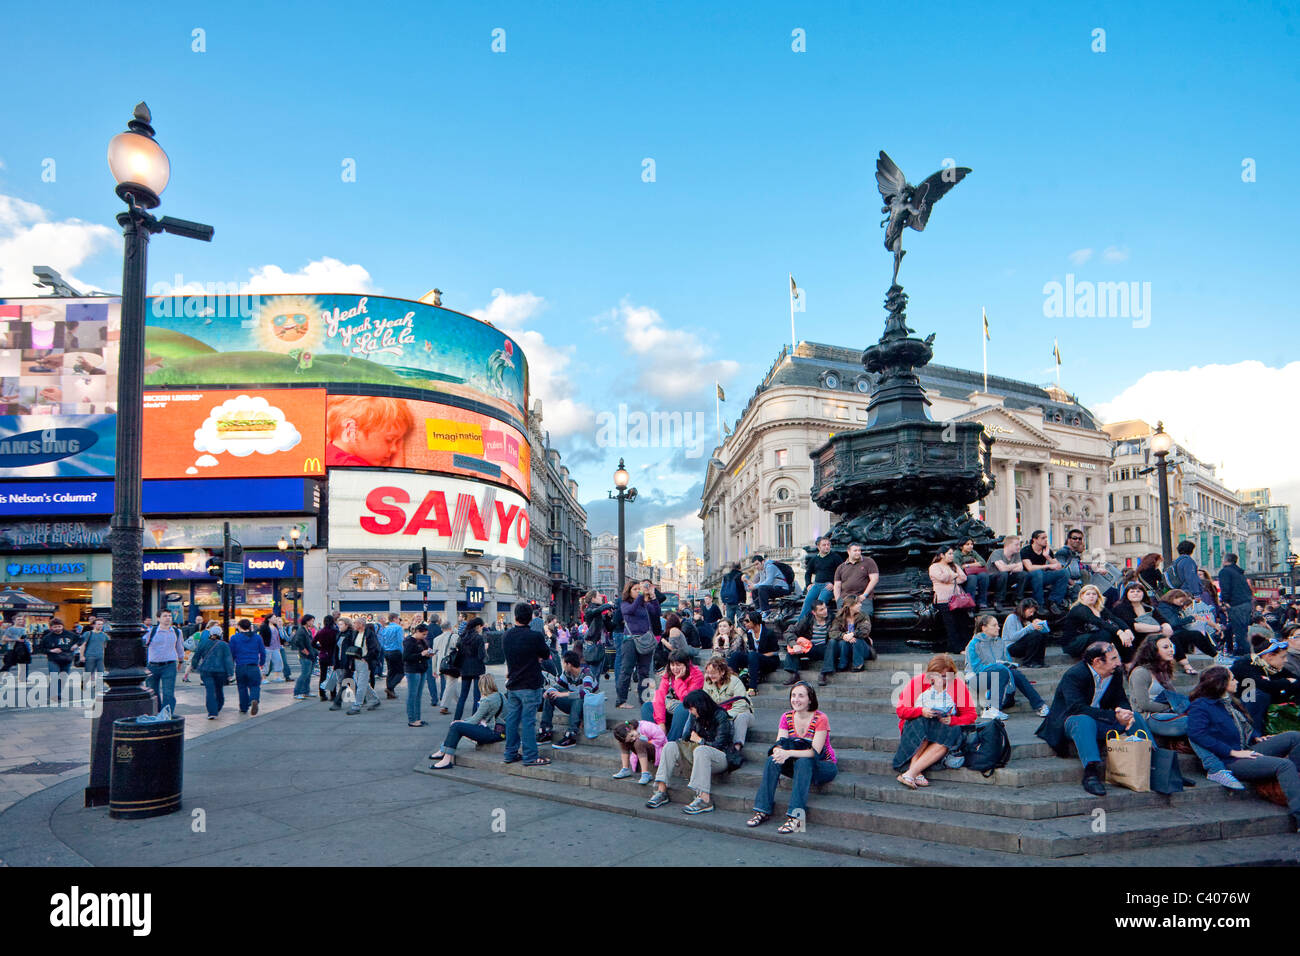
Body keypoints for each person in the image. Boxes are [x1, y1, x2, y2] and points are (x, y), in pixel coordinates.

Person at [1187, 665, 1300, 831]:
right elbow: (1197, 734)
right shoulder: (1201, 706)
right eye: (1232, 679)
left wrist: (1255, 736)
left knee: (1294, 736)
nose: (1237, 681)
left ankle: (1293, 782)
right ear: (1221, 683)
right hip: (1230, 759)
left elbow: (1239, 725)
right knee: (1285, 765)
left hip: (1246, 748)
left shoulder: (1228, 701)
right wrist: (1232, 752)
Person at [1036, 641, 1153, 796]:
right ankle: (1091, 773)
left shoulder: (1115, 672)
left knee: (1135, 717)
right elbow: (1076, 708)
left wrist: (1124, 712)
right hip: (1071, 721)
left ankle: (1157, 764)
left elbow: (1120, 698)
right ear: (1097, 661)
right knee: (1085, 720)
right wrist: (1114, 716)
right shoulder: (1075, 675)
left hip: (1101, 719)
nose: (1118, 663)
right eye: (1113, 658)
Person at [1128, 636, 1239, 788]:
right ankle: (1215, 769)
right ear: (1153, 650)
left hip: (1168, 714)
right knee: (1193, 723)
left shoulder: (1164, 670)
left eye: (1171, 646)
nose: (1171, 649)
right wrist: (1170, 708)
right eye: (1165, 647)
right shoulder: (1140, 672)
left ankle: (1229, 756)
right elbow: (1143, 704)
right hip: (1148, 717)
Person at [748, 681, 838, 832]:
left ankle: (796, 818)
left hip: (823, 766)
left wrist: (788, 753)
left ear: (810, 699)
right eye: (793, 695)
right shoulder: (786, 717)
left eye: (801, 696)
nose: (796, 699)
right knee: (772, 760)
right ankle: (762, 810)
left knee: (804, 761)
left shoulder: (821, 718)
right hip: (798, 764)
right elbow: (780, 743)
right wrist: (778, 751)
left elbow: (813, 752)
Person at [645, 689, 740, 813]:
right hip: (697, 755)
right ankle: (661, 791)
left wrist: (700, 740)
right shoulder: (695, 716)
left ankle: (705, 799)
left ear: (700, 706)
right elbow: (685, 738)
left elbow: (720, 744)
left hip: (720, 758)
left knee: (701, 750)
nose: (690, 712)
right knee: (670, 746)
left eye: (691, 709)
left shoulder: (721, 716)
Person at [893, 654, 977, 788]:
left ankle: (911, 773)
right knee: (925, 725)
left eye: (944, 677)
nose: (939, 680)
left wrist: (952, 720)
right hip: (916, 727)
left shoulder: (957, 685)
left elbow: (971, 715)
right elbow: (901, 711)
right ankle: (915, 772)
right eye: (936, 675)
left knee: (947, 738)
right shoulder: (918, 682)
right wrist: (921, 711)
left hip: (943, 729)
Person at [965, 613, 1049, 720]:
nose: (998, 627)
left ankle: (1040, 705)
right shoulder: (973, 644)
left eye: (997, 625)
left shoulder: (1000, 643)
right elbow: (976, 668)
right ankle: (992, 708)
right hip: (978, 680)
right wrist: (997, 666)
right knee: (1000, 669)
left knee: (1014, 672)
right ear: (984, 628)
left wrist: (1006, 666)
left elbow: (1008, 662)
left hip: (1000, 678)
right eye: (994, 625)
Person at [502, 602, 553, 768]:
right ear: (531, 618)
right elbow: (546, 654)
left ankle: (510, 753)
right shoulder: (535, 636)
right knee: (528, 721)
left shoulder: (507, 635)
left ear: (515, 616)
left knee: (512, 720)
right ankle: (530, 756)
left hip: (513, 684)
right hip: (530, 683)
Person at [429, 675, 505, 769]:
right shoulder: (500, 695)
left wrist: (461, 721)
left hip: (491, 732)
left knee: (456, 726)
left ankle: (446, 758)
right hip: (501, 731)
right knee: (458, 726)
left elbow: (474, 720)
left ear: (481, 686)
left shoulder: (487, 700)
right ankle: (443, 751)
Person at [1231, 632, 1300, 731]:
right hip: (1240, 710)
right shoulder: (1243, 665)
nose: (1286, 661)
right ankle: (1252, 735)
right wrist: (1286, 682)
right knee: (1258, 694)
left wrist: (1279, 685)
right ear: (1269, 656)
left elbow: (1296, 681)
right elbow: (1264, 686)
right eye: (1283, 657)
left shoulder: (1272, 667)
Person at [325, 395, 414, 467]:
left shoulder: (328, 455)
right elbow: (394, 486)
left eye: (397, 442)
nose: (395, 450)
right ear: (351, 431)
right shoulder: (351, 468)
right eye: (389, 440)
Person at [641, 650, 705, 742]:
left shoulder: (697, 675)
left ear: (686, 664)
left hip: (688, 709)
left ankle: (669, 742)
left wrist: (678, 680)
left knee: (683, 709)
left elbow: (687, 700)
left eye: (678, 665)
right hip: (671, 705)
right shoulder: (669, 673)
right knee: (647, 707)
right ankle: (653, 740)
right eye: (672, 665)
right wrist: (661, 722)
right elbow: (660, 695)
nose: (675, 668)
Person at [615, 579, 660, 709]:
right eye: (635, 589)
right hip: (630, 641)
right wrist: (641, 595)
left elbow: (656, 613)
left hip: (644, 640)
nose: (638, 591)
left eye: (638, 589)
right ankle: (621, 701)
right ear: (628, 592)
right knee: (626, 670)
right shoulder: (624, 603)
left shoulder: (644, 604)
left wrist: (653, 596)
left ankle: (644, 700)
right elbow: (631, 610)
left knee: (644, 671)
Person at [539, 650, 598, 749]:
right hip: (574, 706)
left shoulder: (587, 674)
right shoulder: (566, 674)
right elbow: (557, 686)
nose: (563, 666)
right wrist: (549, 691)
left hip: (588, 708)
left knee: (578, 698)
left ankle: (571, 734)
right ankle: (545, 730)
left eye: (564, 663)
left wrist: (563, 694)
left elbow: (586, 693)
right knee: (551, 696)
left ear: (569, 664)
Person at [1060, 584, 1135, 660]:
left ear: (1097, 596)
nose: (1091, 596)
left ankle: (1127, 661)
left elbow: (1114, 618)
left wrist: (1126, 629)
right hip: (1073, 643)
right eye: (1088, 594)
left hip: (1091, 637)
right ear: (1082, 596)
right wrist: (1119, 632)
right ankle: (1097, 659)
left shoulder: (1099, 608)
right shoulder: (1079, 609)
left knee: (1120, 635)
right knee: (1106, 633)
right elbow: (1098, 622)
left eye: (1094, 594)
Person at [1155, 589, 1218, 674]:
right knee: (1195, 634)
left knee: (1197, 634)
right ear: (1174, 598)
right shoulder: (1164, 608)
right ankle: (1214, 655)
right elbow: (1173, 623)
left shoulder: (1171, 607)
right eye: (1180, 601)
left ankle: (1214, 654)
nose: (1182, 604)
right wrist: (1190, 618)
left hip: (1177, 631)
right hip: (1173, 632)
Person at [1111, 581, 1173, 664]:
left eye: (1138, 591)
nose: (1135, 593)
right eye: (1132, 591)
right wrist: (1160, 628)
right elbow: (1135, 626)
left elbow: (1162, 619)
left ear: (1143, 593)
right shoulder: (1120, 608)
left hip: (1150, 634)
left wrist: (1166, 626)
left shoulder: (1148, 607)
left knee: (1172, 638)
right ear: (1127, 594)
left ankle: (1185, 665)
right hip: (1132, 636)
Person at [702, 654, 752, 752]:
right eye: (708, 673)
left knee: (742, 717)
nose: (710, 675)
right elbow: (705, 702)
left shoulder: (735, 681)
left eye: (713, 673)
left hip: (739, 713)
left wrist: (724, 716)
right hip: (718, 715)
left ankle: (736, 748)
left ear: (722, 672)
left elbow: (741, 705)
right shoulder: (708, 682)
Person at [822, 591, 873, 684]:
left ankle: (858, 665)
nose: (860, 605)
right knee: (839, 641)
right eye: (858, 603)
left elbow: (865, 630)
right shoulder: (840, 617)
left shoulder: (863, 616)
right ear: (850, 606)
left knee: (856, 640)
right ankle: (842, 664)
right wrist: (844, 636)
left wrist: (852, 634)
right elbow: (832, 632)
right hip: (845, 647)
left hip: (861, 648)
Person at [780, 598, 832, 684]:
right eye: (821, 610)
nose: (825, 611)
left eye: (825, 608)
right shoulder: (807, 619)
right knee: (791, 647)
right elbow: (789, 631)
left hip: (825, 647)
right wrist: (794, 644)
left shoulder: (831, 619)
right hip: (810, 646)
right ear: (814, 612)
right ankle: (793, 674)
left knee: (832, 645)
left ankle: (824, 674)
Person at [728, 610, 780, 695]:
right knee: (735, 656)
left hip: (770, 660)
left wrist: (757, 656)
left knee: (753, 655)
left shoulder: (769, 633)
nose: (745, 623)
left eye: (747, 621)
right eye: (744, 621)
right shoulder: (749, 633)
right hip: (755, 659)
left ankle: (753, 688)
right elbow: (752, 650)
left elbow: (775, 652)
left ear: (755, 621)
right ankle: (732, 683)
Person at [928, 547, 969, 652]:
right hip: (943, 600)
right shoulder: (934, 567)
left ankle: (963, 646)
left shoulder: (954, 565)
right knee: (950, 625)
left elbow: (963, 578)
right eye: (950, 554)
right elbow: (942, 578)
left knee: (962, 622)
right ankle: (956, 648)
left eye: (952, 554)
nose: (952, 556)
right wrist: (954, 575)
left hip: (957, 599)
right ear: (942, 555)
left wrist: (950, 577)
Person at [143, 611, 184, 714]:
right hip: (152, 665)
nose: (168, 618)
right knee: (153, 692)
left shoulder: (176, 631)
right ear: (158, 618)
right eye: (165, 616)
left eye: (170, 616)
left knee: (168, 693)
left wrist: (181, 660)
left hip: (169, 665)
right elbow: (142, 644)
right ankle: (156, 713)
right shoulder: (150, 631)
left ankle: (166, 714)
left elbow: (179, 647)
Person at [191, 622, 235, 719]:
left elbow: (196, 656)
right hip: (221, 671)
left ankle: (212, 712)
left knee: (210, 690)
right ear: (220, 634)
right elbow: (228, 659)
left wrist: (194, 666)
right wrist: (230, 673)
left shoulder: (203, 643)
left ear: (210, 633)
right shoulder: (224, 645)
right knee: (219, 690)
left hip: (206, 670)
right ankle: (217, 707)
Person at [1020, 530, 1070, 613]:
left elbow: (1058, 567)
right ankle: (1039, 604)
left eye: (1046, 538)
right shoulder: (1026, 550)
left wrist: (1047, 557)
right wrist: (1048, 566)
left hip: (1042, 576)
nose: (1046, 540)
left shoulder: (1047, 550)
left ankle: (1054, 601)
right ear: (1035, 540)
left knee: (1064, 572)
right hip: (1028, 578)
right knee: (1037, 572)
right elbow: (1029, 568)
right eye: (1043, 538)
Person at [1218, 553, 1254, 656]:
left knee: (1239, 633)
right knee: (1243, 631)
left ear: (1225, 560)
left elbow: (1225, 588)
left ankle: (1248, 656)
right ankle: (1243, 653)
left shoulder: (1225, 572)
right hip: (1246, 604)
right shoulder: (1239, 573)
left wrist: (1225, 602)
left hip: (1236, 604)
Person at [801, 536, 844, 619]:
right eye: (824, 545)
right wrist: (808, 584)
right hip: (816, 584)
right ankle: (800, 625)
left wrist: (834, 584)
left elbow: (842, 572)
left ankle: (817, 624)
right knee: (807, 602)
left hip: (828, 586)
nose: (827, 547)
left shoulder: (835, 557)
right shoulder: (814, 559)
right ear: (818, 547)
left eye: (828, 545)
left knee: (820, 602)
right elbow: (808, 573)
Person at [40, 618, 81, 704]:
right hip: (53, 659)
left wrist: (76, 645)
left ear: (62, 626)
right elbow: (41, 648)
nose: (58, 628)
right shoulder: (47, 637)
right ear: (51, 627)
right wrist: (51, 651)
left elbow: (81, 639)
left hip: (67, 658)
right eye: (55, 627)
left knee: (63, 678)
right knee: (54, 677)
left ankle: (57, 694)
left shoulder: (69, 634)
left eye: (59, 626)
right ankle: (53, 694)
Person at [230, 619, 266, 716]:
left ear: (239, 627)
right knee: (255, 685)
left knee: (242, 687)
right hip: (253, 665)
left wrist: (231, 667)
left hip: (240, 666)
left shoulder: (234, 638)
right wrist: (261, 663)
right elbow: (262, 652)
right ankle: (254, 699)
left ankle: (243, 707)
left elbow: (232, 654)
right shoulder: (257, 638)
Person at [612, 719, 666, 784]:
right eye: (631, 740)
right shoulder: (632, 734)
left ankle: (645, 774)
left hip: (658, 749)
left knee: (638, 742)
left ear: (631, 728)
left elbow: (661, 737)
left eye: (632, 735)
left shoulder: (646, 727)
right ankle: (625, 769)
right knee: (622, 742)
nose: (633, 738)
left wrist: (647, 741)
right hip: (642, 751)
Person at [453, 617, 487, 720]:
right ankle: (474, 719)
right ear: (478, 626)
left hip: (465, 668)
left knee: (463, 696)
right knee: (477, 696)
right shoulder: (479, 638)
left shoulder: (463, 637)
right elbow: (481, 656)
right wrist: (485, 649)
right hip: (477, 668)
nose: (482, 629)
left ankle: (456, 719)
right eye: (481, 627)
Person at [833, 543, 880, 616]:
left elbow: (874, 579)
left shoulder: (869, 562)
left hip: (863, 598)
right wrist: (838, 601)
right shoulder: (841, 567)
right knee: (843, 617)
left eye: (859, 550)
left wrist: (864, 595)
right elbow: (837, 586)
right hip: (846, 598)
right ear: (848, 552)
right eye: (855, 550)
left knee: (865, 615)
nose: (858, 552)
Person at [346, 622, 383, 715]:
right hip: (357, 660)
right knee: (363, 683)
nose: (354, 625)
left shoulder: (369, 634)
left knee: (361, 684)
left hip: (365, 662)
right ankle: (375, 699)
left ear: (361, 625)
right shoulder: (356, 633)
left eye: (355, 623)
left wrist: (367, 658)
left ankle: (357, 706)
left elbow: (375, 648)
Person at [1002, 598, 1051, 667]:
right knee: (1035, 635)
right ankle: (1028, 662)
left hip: (1021, 644)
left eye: (1033, 612)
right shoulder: (1011, 618)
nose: (1032, 614)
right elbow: (1013, 637)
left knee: (1043, 634)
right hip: (1011, 646)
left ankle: (1040, 661)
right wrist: (1030, 627)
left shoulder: (1026, 620)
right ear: (1023, 609)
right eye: (1030, 612)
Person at [403, 622, 434, 727]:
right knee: (412, 695)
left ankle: (417, 718)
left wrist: (428, 655)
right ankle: (412, 719)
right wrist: (421, 654)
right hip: (412, 670)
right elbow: (406, 657)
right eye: (423, 634)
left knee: (418, 696)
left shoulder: (421, 641)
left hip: (421, 669)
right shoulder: (409, 641)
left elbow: (422, 654)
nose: (424, 636)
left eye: (425, 634)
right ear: (417, 632)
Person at [989, 535, 1028, 607]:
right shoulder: (997, 553)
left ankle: (1018, 599)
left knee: (1023, 574)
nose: (1019, 547)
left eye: (1019, 545)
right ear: (1008, 545)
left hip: (1006, 578)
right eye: (1016, 545)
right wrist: (1013, 566)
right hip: (993, 580)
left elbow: (1020, 568)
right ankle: (998, 600)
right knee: (1003, 574)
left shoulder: (1017, 554)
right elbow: (1002, 569)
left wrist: (1007, 567)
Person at [1054, 528, 1088, 600]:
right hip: (1069, 586)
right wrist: (1072, 583)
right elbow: (1059, 570)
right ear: (1069, 539)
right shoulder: (1063, 552)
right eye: (1074, 538)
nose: (1077, 540)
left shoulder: (1074, 554)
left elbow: (1078, 568)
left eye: (1080, 539)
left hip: (1077, 583)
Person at [379, 612, 406, 699]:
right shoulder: (398, 628)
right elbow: (400, 641)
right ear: (394, 619)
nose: (399, 620)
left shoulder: (386, 628)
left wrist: (385, 650)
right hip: (396, 651)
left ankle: (390, 693)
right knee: (401, 672)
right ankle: (390, 688)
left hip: (387, 651)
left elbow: (382, 641)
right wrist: (403, 653)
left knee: (391, 671)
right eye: (398, 619)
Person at [76, 618, 107, 694]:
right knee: (88, 672)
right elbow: (83, 645)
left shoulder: (104, 635)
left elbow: (106, 646)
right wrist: (82, 656)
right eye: (98, 624)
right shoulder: (88, 633)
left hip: (100, 656)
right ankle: (84, 682)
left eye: (101, 624)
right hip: (90, 656)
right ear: (94, 625)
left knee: (101, 672)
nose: (100, 626)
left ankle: (100, 687)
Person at [312, 614, 339, 701]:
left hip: (323, 655)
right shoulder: (335, 632)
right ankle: (333, 694)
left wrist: (320, 648)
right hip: (332, 655)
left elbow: (313, 643)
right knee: (332, 676)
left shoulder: (320, 632)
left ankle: (322, 694)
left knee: (322, 675)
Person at [289, 614, 316, 699]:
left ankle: (305, 691)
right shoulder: (301, 631)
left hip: (311, 655)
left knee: (308, 675)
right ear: (307, 621)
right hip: (305, 657)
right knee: (304, 674)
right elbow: (298, 642)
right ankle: (297, 692)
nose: (312, 623)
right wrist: (306, 652)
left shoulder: (308, 631)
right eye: (311, 621)